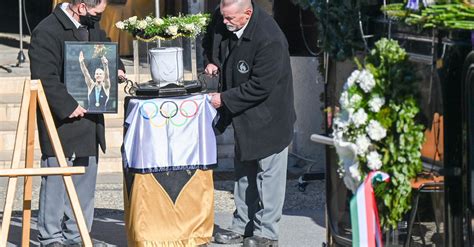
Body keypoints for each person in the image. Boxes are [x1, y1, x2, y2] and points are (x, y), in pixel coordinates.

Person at [28, 0, 125, 246]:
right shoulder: (47, 30)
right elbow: (43, 77)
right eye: (95, 12)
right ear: (81, 7)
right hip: (61, 120)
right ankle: (51, 238)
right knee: (56, 180)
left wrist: (118, 68)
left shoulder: (91, 24)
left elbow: (105, 50)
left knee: (85, 182)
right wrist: (69, 105)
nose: (98, 17)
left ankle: (77, 235)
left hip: (90, 119)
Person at [202, 0, 296, 246]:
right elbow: (210, 38)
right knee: (244, 171)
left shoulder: (269, 38)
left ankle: (266, 233)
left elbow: (260, 86)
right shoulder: (223, 18)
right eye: (223, 16)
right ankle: (242, 225)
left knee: (268, 175)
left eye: (230, 19)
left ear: (248, 13)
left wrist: (223, 99)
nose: (224, 22)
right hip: (242, 114)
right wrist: (211, 60)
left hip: (270, 115)